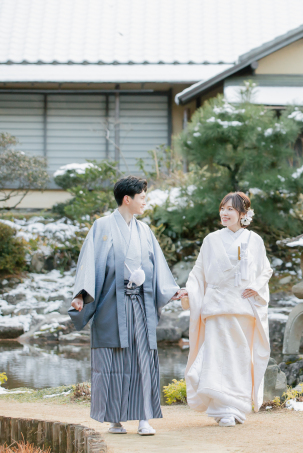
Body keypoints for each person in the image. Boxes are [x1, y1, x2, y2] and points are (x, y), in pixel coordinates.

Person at [69, 176, 186, 436]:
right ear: (127, 199)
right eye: (142, 198)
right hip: (112, 305)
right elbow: (88, 263)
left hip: (141, 304)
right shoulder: (101, 227)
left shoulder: (144, 231)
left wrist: (170, 291)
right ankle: (115, 418)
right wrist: (80, 295)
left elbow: (158, 268)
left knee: (143, 359)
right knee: (112, 360)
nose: (145, 202)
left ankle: (145, 417)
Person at [184, 192, 272, 427]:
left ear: (243, 214)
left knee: (239, 357)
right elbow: (198, 272)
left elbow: (266, 270)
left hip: (242, 307)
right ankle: (222, 409)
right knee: (215, 356)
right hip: (215, 306)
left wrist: (256, 285)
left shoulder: (255, 240)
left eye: (230, 209)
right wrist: (190, 291)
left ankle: (236, 406)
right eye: (222, 208)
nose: (224, 213)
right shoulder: (211, 240)